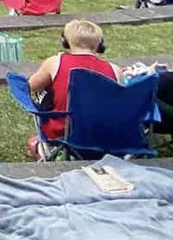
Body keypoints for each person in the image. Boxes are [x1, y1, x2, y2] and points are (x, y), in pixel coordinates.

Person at [25, 19, 118, 152]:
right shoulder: (114, 69)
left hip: (63, 133)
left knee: (32, 142)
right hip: (104, 135)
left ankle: (45, 151)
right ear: (100, 45)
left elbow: (31, 86)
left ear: (65, 42)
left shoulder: (55, 62)